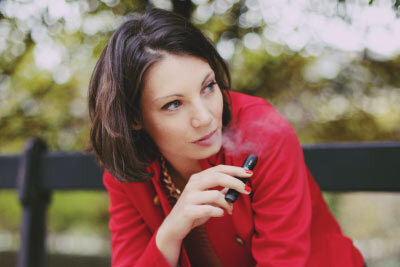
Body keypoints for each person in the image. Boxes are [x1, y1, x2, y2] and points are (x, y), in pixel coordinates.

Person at [87, 7, 365, 267]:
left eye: (208, 86)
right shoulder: (128, 166)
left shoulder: (265, 134)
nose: (205, 117)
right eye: (173, 104)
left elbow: (283, 260)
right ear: (134, 118)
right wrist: (171, 231)